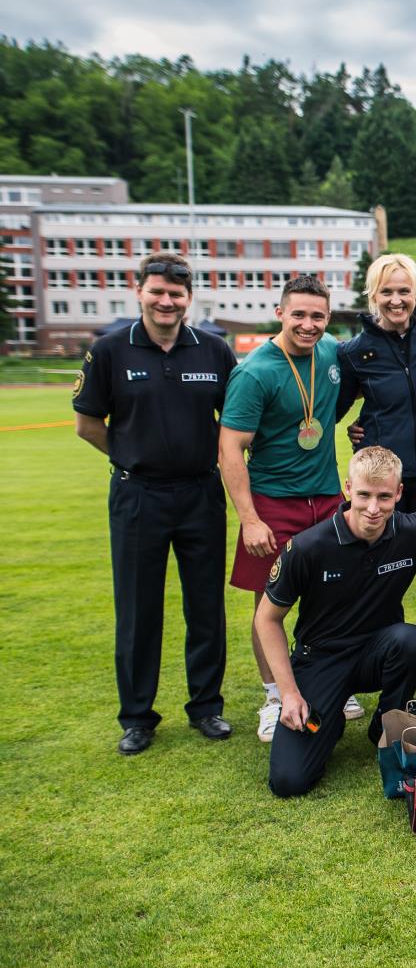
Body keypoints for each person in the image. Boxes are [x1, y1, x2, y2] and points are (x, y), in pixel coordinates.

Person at [256, 447, 416, 797]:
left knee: (414, 641)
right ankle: (329, 717)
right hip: (321, 660)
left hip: (380, 651)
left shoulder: (411, 530)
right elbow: (267, 619)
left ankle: (386, 727)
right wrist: (289, 695)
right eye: (364, 495)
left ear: (399, 493)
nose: (374, 508)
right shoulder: (309, 547)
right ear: (347, 490)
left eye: (384, 496)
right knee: (289, 781)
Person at [73, 251, 238, 754]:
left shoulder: (213, 350)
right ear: (139, 292)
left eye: (176, 293)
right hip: (137, 495)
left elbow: (234, 423)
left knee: (205, 606)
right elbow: (87, 424)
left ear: (189, 299)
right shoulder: (108, 351)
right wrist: (131, 457)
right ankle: (138, 717)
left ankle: (206, 707)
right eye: (158, 292)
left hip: (199, 493)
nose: (166, 301)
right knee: (138, 609)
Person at [219, 274, 356, 743]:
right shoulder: (254, 371)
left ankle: (334, 681)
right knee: (269, 603)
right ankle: (275, 696)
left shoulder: (332, 353)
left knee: (336, 595)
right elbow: (230, 449)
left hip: (329, 498)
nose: (309, 324)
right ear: (279, 313)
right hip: (274, 503)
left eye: (318, 316)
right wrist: (250, 519)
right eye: (298, 314)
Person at [336, 253, 416, 632]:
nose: (396, 300)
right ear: (373, 294)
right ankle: (379, 659)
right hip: (381, 481)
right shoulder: (354, 351)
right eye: (386, 291)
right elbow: (333, 410)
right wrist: (358, 429)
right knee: (378, 574)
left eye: (404, 291)